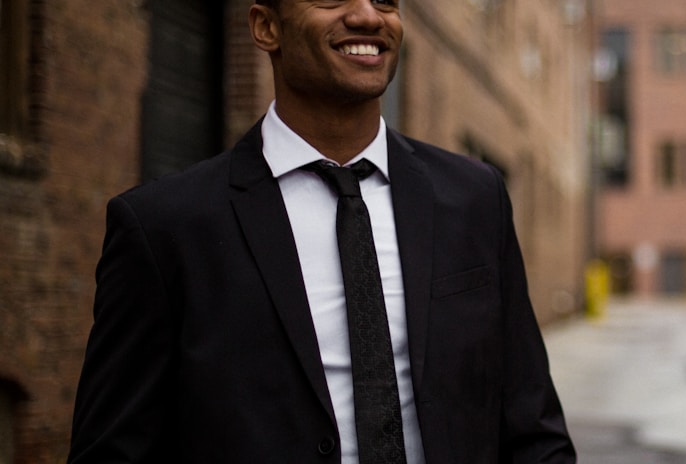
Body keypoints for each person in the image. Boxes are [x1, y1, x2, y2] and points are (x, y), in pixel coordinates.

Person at [67, 0, 575, 462]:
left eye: (386, 2)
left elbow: (532, 426)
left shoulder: (474, 198)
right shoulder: (164, 227)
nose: (368, 17)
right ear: (267, 27)